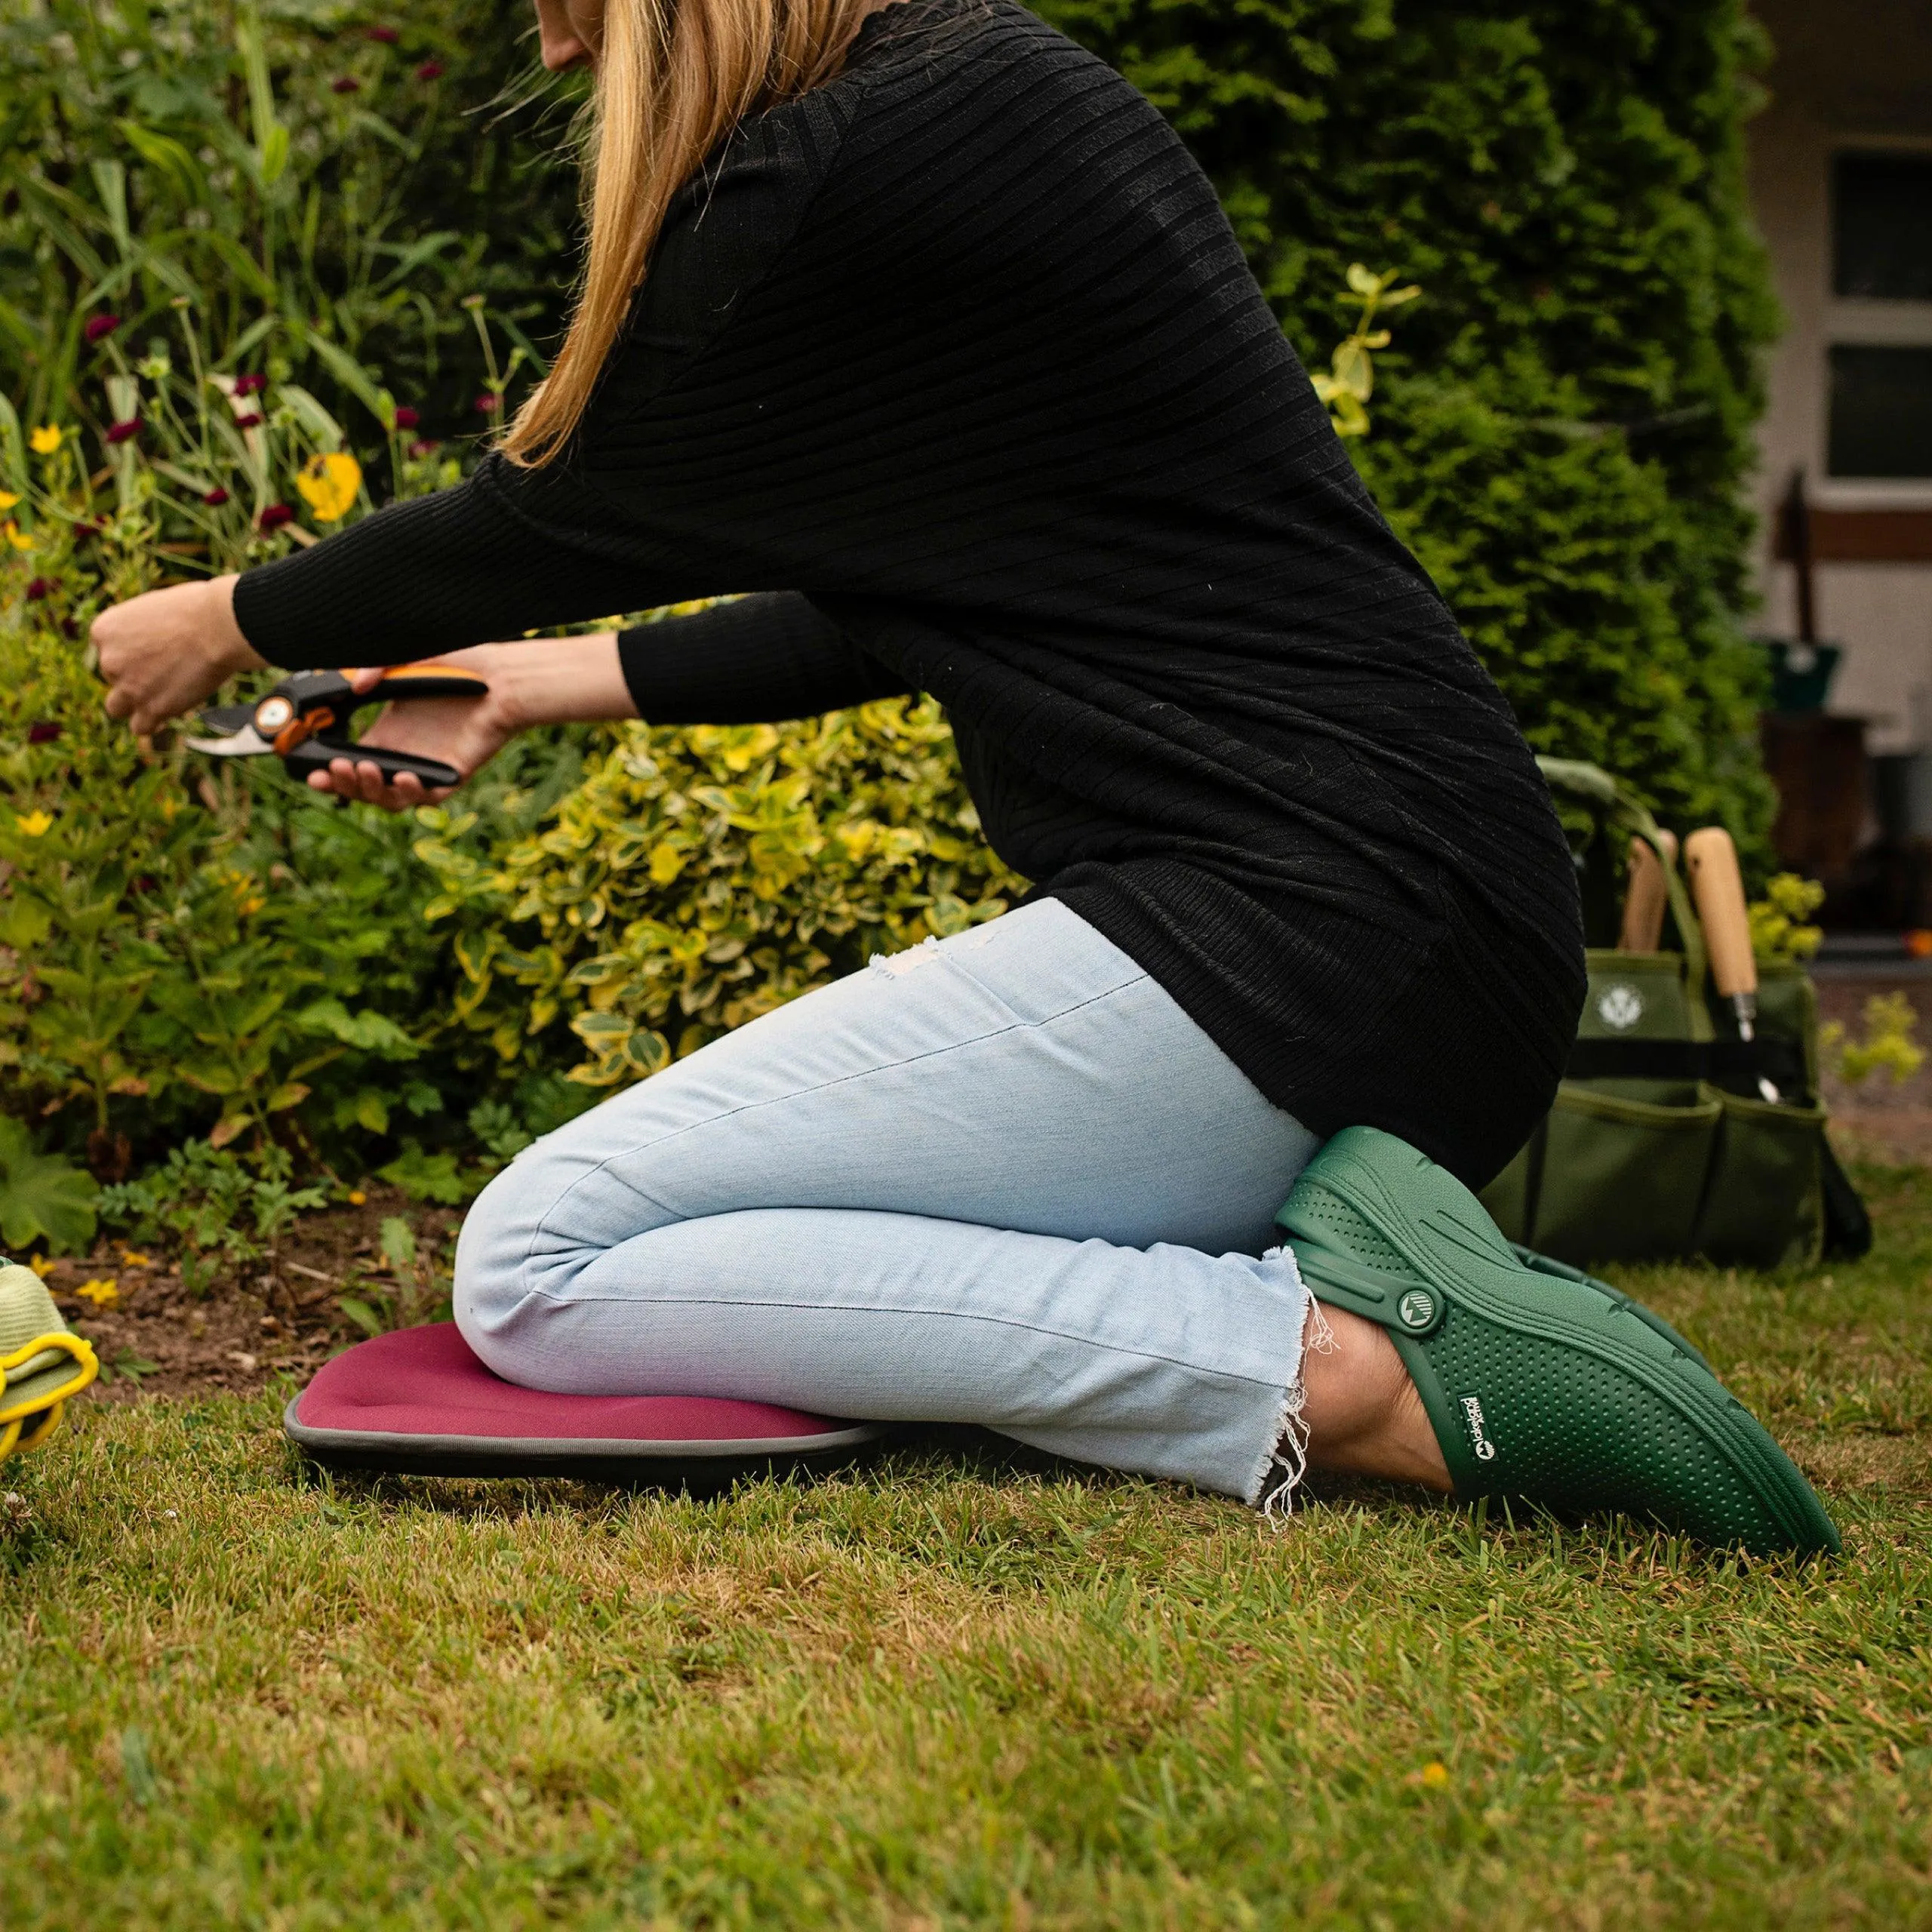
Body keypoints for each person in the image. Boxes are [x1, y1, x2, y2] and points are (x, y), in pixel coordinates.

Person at [91, 0, 1838, 1553]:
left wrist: (223, 619)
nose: (548, 48)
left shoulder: (815, 174)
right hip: (1409, 917)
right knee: (726, 1244)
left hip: (1300, 917)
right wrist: (520, 691)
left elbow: (555, 516)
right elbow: (897, 606)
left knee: (540, 1260)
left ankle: (1347, 1372)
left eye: (559, 3)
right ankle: (1319, 1286)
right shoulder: (979, 91)